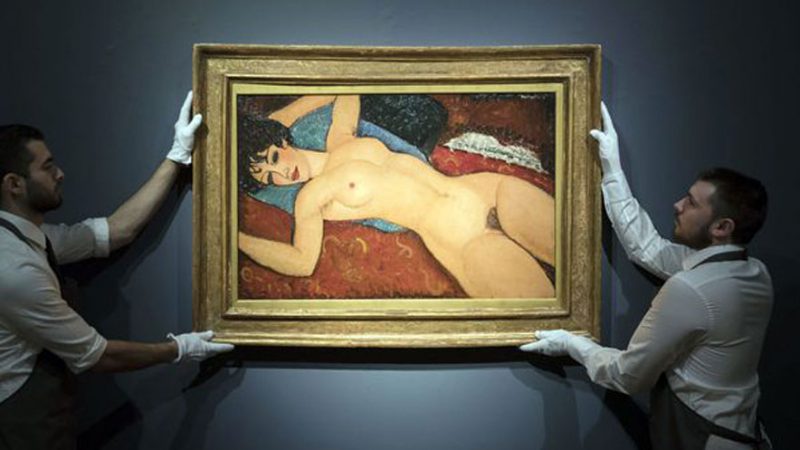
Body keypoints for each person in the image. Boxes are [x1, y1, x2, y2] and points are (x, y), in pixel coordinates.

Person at [520, 103, 772, 449]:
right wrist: (612, 169)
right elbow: (648, 248)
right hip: (746, 435)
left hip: (703, 440)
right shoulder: (755, 273)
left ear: (721, 227)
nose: (678, 205)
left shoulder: (690, 289)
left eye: (692, 203)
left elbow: (627, 375)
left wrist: (574, 344)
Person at [0, 92, 234, 450]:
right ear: (14, 184)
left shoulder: (31, 238)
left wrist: (176, 156)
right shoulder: (14, 268)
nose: (60, 174)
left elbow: (116, 231)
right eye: (47, 167)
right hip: (18, 426)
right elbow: (98, 355)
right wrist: (180, 348)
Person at [237, 94, 556, 298]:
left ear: (282, 142)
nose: (282, 175)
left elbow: (344, 84)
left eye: (274, 159)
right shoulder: (311, 197)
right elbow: (301, 262)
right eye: (269, 178)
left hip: (484, 190)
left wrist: (271, 124)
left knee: (576, 259)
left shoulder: (340, 137)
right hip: (463, 239)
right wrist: (236, 239)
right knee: (553, 315)